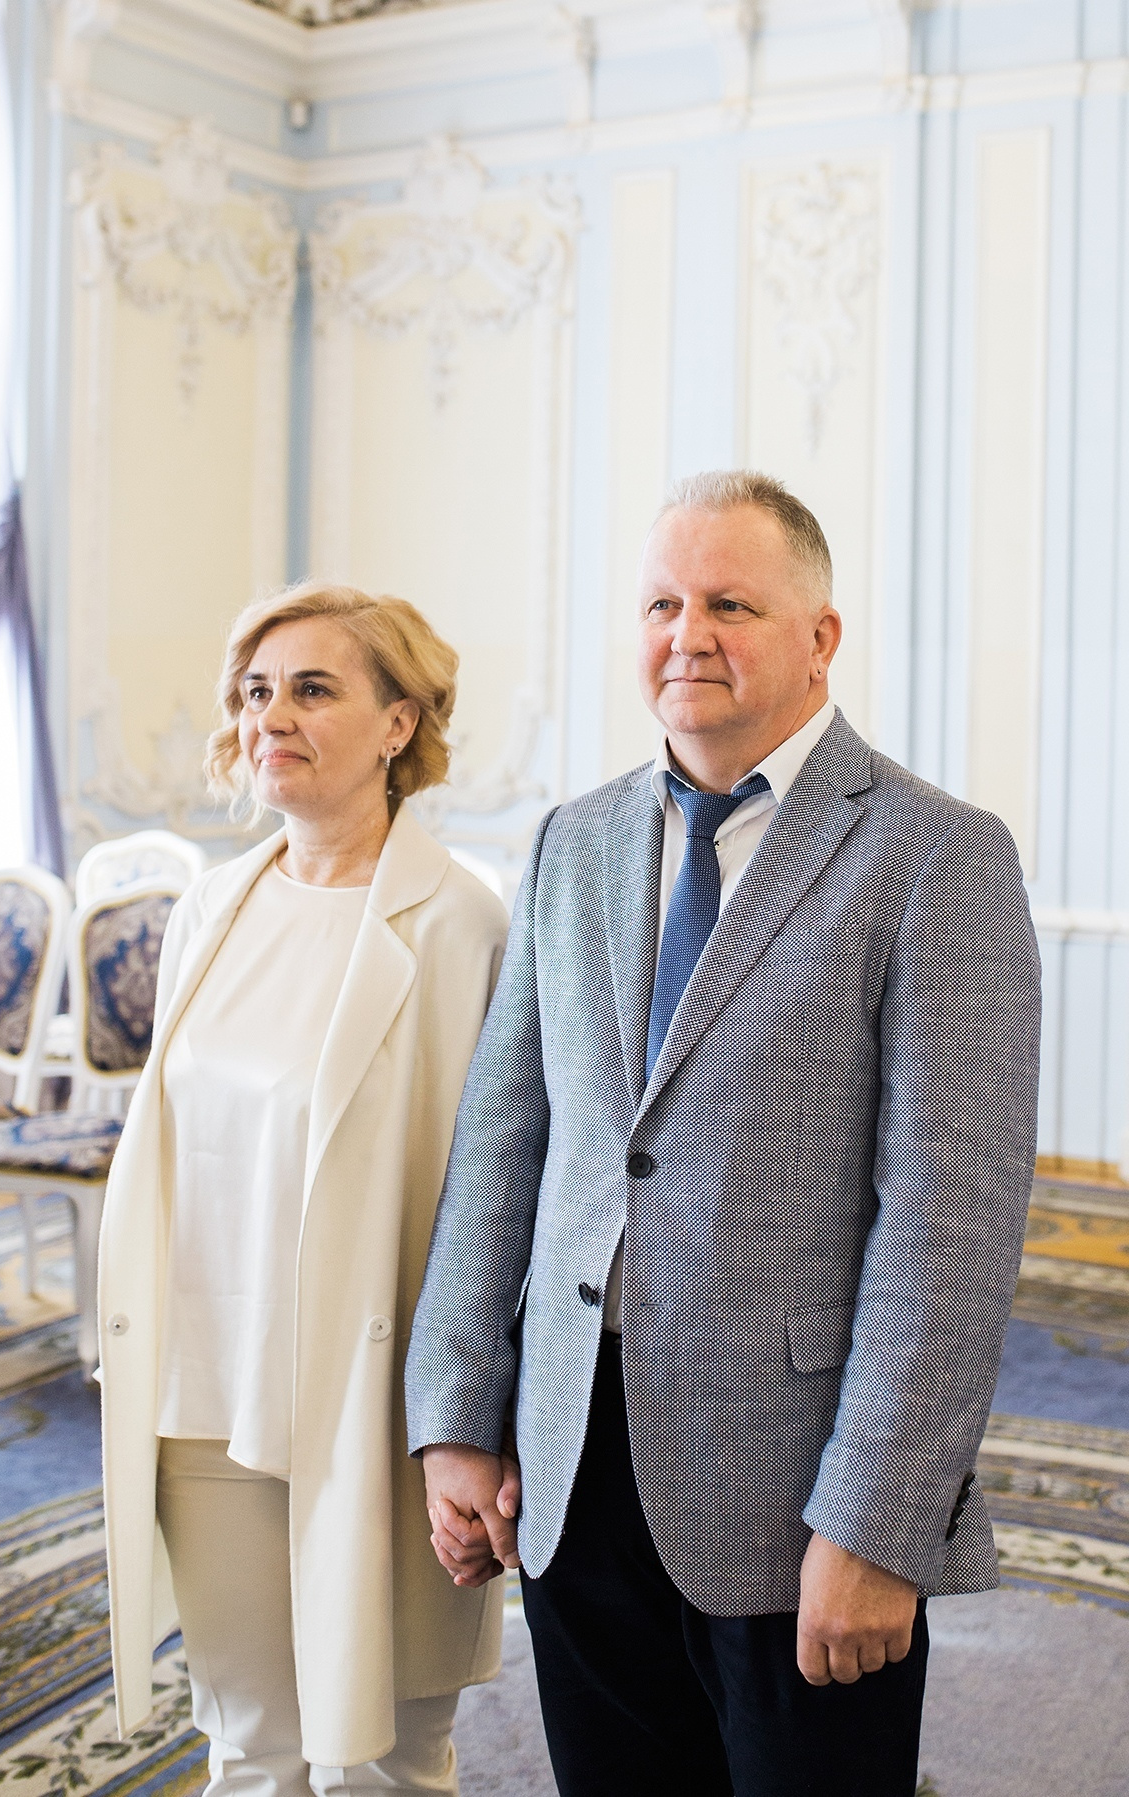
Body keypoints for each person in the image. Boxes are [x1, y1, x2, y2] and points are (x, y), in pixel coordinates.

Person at [406, 472, 1040, 1797]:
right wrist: (458, 1413)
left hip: (797, 1494)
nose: (687, 633)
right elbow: (502, 1149)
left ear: (822, 637)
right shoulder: (570, 844)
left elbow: (949, 1229)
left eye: (731, 603)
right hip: (576, 1469)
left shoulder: (935, 856)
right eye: (661, 602)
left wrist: (878, 1521)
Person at [97, 583, 508, 1796]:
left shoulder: (462, 926)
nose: (272, 715)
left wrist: (471, 1423)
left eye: (314, 688)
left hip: (375, 1407)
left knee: (382, 1751)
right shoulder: (212, 908)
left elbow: (492, 1204)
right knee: (251, 1745)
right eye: (256, 691)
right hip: (202, 1391)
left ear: (398, 725)